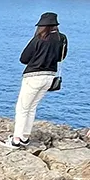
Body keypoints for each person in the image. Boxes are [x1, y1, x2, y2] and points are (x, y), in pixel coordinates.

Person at [8, 12, 68, 148]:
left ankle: (16, 140)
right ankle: (24, 137)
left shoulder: (39, 38)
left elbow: (23, 58)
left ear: (42, 26)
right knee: (32, 106)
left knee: (22, 108)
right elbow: (61, 57)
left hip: (33, 76)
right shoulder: (62, 38)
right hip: (49, 77)